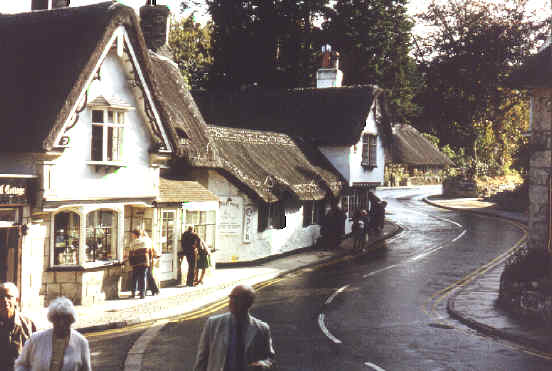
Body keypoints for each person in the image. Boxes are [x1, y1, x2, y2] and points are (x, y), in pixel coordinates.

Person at [194, 284, 275, 371]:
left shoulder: (262, 329)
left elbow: (269, 358)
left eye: (237, 298)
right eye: (231, 297)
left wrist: (262, 365)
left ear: (249, 302)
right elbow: (202, 358)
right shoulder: (213, 324)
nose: (232, 301)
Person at [15, 296, 91, 371]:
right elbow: (21, 365)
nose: (61, 323)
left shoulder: (81, 342)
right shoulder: (35, 340)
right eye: (57, 318)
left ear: (71, 320)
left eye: (65, 318)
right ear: (52, 319)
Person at [0, 283, 37, 371]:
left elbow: (36, 354)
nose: (5, 300)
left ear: (16, 300)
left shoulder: (27, 324)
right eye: (1, 296)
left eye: (9, 297)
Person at [128, 229, 154, 299]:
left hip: (136, 262)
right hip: (145, 261)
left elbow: (130, 253)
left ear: (135, 235)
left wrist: (131, 262)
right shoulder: (146, 241)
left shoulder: (133, 242)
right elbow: (150, 251)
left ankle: (133, 293)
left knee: (134, 277)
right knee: (143, 277)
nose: (132, 236)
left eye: (132, 234)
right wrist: (150, 260)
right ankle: (142, 294)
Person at [145, 231, 160, 296]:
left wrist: (154, 257)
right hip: (148, 260)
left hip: (149, 260)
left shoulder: (148, 242)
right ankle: (152, 290)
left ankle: (155, 290)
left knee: (148, 275)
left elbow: (154, 251)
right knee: (147, 276)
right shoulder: (149, 241)